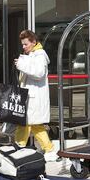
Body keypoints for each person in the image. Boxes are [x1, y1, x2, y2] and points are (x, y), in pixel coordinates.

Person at [14, 30, 58, 162]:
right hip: (31, 97)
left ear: (33, 42)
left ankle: (18, 147)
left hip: (34, 97)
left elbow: (38, 73)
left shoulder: (39, 55)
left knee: (26, 124)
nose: (23, 47)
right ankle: (48, 149)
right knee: (33, 125)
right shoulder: (35, 54)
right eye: (22, 44)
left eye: (25, 44)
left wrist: (21, 65)